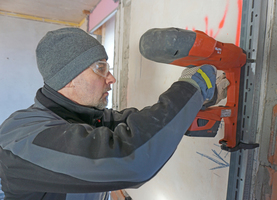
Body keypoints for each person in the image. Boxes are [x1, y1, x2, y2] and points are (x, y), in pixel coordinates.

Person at [0, 27, 223, 200]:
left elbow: (135, 123)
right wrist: (191, 87)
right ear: (68, 78)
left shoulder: (82, 116)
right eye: (100, 68)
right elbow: (129, 159)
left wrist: (196, 100)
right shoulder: (22, 137)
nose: (111, 78)